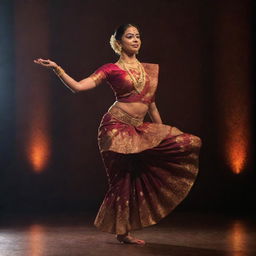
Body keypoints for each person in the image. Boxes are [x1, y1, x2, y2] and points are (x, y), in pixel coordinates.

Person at [34, 23, 202, 245]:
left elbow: (150, 105)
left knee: (188, 143)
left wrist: (160, 132)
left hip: (138, 128)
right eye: (130, 36)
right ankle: (123, 233)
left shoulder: (148, 70)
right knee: (121, 179)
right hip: (114, 128)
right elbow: (78, 87)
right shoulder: (110, 69)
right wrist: (57, 68)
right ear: (118, 42)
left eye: (138, 36)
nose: (135, 40)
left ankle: (123, 231)